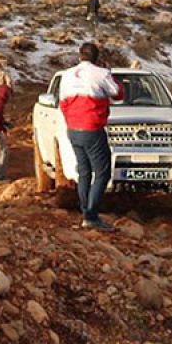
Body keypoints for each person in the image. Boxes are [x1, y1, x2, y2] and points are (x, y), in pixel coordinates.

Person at [59, 42, 122, 232]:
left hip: (73, 128)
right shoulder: (101, 73)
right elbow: (118, 93)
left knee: (84, 171)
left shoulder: (67, 75)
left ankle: (85, 210)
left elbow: (62, 102)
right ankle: (91, 215)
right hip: (92, 127)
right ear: (96, 57)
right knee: (102, 172)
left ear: (80, 56)